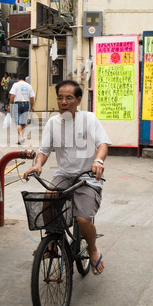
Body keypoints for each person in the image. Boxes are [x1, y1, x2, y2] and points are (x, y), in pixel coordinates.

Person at [24, 80, 111, 275]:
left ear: (78, 100)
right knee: (48, 199)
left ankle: (93, 248)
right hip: (63, 175)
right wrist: (37, 164)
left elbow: (103, 143)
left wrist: (98, 161)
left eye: (69, 98)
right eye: (60, 98)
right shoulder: (53, 123)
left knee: (83, 218)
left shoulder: (89, 119)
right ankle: (53, 240)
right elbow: (44, 150)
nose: (63, 102)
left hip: (87, 177)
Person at [7, 73, 35, 145]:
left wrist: (9, 106)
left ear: (18, 79)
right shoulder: (29, 86)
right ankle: (20, 138)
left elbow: (12, 96)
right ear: (25, 79)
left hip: (17, 104)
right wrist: (31, 107)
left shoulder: (15, 85)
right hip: (26, 104)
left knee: (18, 123)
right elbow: (32, 98)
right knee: (23, 123)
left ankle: (21, 137)